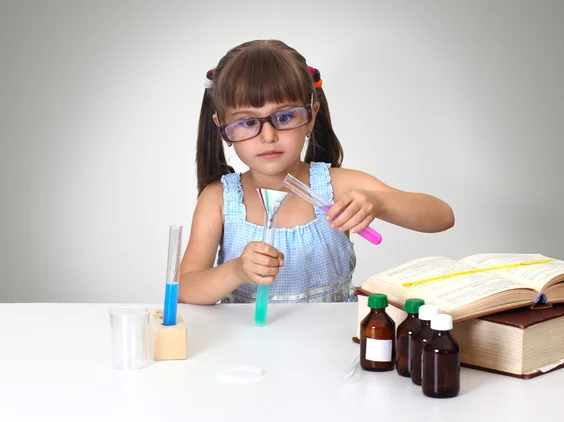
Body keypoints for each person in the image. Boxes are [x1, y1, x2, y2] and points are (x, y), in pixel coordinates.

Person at [179, 39, 454, 305]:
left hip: (333, 346)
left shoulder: (338, 186)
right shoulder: (218, 200)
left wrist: (379, 203)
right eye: (248, 122)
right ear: (222, 127)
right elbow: (186, 289)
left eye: (284, 117)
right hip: (246, 346)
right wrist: (236, 271)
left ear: (310, 117)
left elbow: (442, 216)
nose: (268, 136)